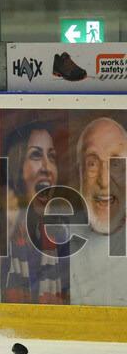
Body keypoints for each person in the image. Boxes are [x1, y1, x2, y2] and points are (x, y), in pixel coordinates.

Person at [2, 121, 70, 304]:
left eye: (52, 156)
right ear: (17, 173)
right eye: (36, 155)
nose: (47, 167)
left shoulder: (62, 237)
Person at [68, 116, 127, 306]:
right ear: (79, 174)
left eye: (116, 164)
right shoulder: (56, 244)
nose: (105, 181)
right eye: (92, 164)